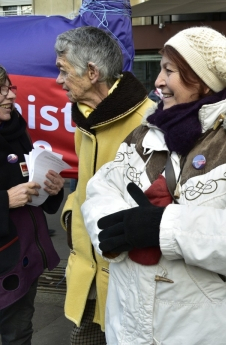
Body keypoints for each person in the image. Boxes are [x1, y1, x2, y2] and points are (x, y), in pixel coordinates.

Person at [80, 26, 226, 344]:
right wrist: (116, 228)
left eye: (169, 71)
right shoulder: (147, 131)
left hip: (204, 328)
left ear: (203, 80)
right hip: (129, 323)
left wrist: (165, 228)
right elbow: (102, 188)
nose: (158, 82)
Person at [55, 26, 155, 343]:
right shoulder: (85, 117)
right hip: (86, 275)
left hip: (128, 280)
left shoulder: (149, 122)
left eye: (63, 71)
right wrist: (71, 218)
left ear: (92, 72)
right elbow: (82, 188)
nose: (58, 81)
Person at [0, 65, 65, 344]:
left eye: (9, 87)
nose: (10, 96)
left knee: (19, 334)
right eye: (0, 90)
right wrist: (4, 200)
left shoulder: (15, 128)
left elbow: (28, 182)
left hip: (24, 258)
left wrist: (52, 189)